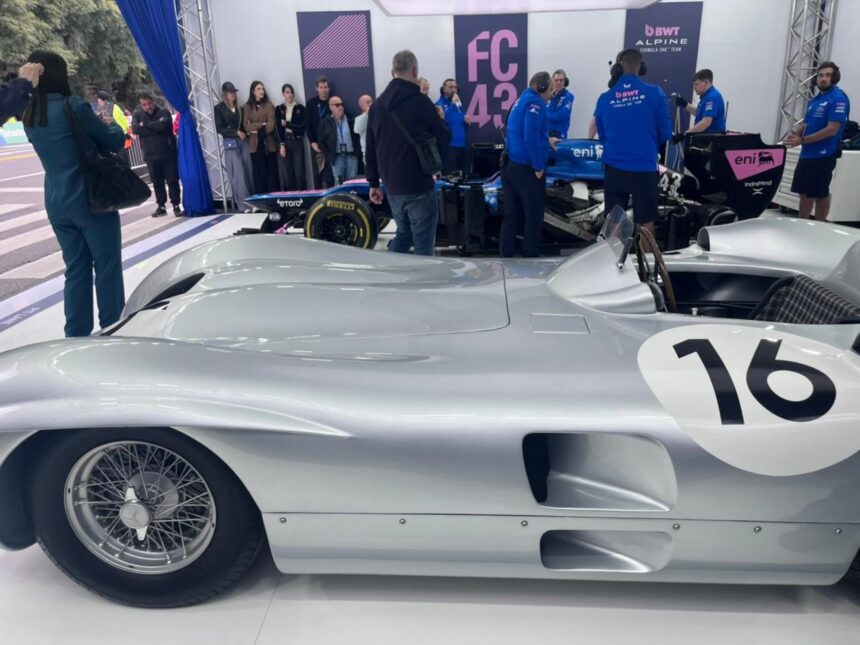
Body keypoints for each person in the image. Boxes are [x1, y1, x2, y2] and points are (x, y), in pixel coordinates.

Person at [22, 51, 126, 337]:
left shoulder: (30, 115)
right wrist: (110, 122)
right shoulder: (73, 106)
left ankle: (76, 335)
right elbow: (113, 141)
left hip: (56, 200)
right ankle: (113, 330)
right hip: (90, 198)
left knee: (76, 268)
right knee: (106, 266)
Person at [366, 50, 451, 256]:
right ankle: (423, 276)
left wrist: (374, 183)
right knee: (423, 245)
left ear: (392, 72)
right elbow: (445, 136)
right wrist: (441, 119)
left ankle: (394, 271)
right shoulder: (421, 102)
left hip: (392, 186)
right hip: (419, 184)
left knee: (403, 235)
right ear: (415, 71)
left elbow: (370, 148)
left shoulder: (377, 106)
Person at [594, 49, 673, 243]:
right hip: (644, 168)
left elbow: (602, 135)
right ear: (641, 66)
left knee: (614, 223)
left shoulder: (605, 98)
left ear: (617, 68)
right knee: (646, 222)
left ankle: (614, 261)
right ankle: (648, 262)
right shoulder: (655, 93)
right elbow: (665, 134)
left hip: (614, 168)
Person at [499, 71, 556, 258]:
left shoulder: (520, 100)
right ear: (541, 87)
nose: (551, 95)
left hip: (509, 165)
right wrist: (538, 166)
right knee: (534, 216)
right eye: (550, 90)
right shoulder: (536, 103)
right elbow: (529, 135)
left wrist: (546, 140)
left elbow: (518, 131)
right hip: (526, 168)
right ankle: (530, 257)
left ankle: (505, 256)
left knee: (512, 215)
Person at [786, 61, 851, 221]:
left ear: (835, 77)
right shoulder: (815, 100)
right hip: (807, 153)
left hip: (823, 154)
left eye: (828, 75)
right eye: (821, 75)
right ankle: (802, 223)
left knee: (820, 193)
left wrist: (801, 140)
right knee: (804, 192)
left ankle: (820, 226)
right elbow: (806, 123)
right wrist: (796, 133)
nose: (823, 79)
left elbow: (832, 129)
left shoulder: (838, 99)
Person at [133, 92, 182, 217]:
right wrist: (155, 126)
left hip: (167, 153)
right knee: (157, 181)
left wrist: (146, 124)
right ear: (141, 105)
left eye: (149, 103)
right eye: (144, 105)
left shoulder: (164, 112)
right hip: (150, 154)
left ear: (153, 102)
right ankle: (161, 205)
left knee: (172, 180)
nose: (148, 107)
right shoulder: (137, 114)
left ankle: (176, 204)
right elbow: (136, 129)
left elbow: (165, 126)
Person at [214, 81, 254, 212]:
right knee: (238, 174)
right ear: (225, 94)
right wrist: (235, 132)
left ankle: (251, 202)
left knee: (248, 171)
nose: (233, 95)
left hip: (243, 142)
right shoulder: (219, 109)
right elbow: (219, 128)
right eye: (230, 92)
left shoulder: (240, 109)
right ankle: (243, 204)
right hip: (231, 143)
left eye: (234, 92)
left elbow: (244, 126)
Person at [672, 68, 726, 142]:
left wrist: (685, 134)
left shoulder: (712, 97)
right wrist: (685, 104)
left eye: (697, 84)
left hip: (711, 141)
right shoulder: (706, 96)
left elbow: (706, 123)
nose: (694, 88)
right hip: (706, 138)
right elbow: (699, 113)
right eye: (694, 85)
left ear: (706, 82)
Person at [243, 81, 278, 194]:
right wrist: (262, 124)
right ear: (253, 92)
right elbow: (246, 126)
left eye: (262, 89)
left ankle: (272, 199)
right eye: (258, 89)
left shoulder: (269, 106)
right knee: (258, 175)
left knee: (271, 174)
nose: (261, 91)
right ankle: (261, 200)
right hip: (255, 146)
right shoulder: (247, 107)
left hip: (268, 145)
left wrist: (254, 128)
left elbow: (271, 126)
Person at [318, 96, 359, 186]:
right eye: (337, 105)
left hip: (351, 156)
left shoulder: (350, 119)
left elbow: (357, 137)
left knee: (353, 183)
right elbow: (321, 142)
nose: (340, 107)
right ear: (331, 107)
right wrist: (329, 156)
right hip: (336, 157)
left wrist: (356, 155)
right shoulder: (325, 123)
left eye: (341, 104)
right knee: (339, 183)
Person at [274, 83, 306, 190]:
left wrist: (287, 124)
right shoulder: (279, 109)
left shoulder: (300, 108)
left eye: (291, 92)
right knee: (287, 172)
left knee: (299, 171)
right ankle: (290, 195)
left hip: (297, 141)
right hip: (285, 141)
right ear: (283, 94)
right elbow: (278, 127)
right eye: (287, 92)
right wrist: (281, 144)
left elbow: (300, 126)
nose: (290, 95)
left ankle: (302, 194)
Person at [435, 78, 470, 175]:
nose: (454, 90)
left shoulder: (458, 104)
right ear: (443, 89)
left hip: (461, 145)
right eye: (450, 87)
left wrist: (466, 122)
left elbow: (460, 123)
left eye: (455, 87)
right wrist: (452, 105)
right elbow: (442, 124)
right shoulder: (438, 105)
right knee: (449, 177)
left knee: (461, 176)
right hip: (448, 147)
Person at [306, 76, 332, 189]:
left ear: (329, 88)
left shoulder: (333, 103)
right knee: (317, 175)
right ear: (316, 88)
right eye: (321, 87)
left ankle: (332, 198)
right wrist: (312, 142)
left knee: (330, 176)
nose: (323, 90)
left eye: (325, 87)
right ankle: (318, 198)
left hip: (330, 145)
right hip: (316, 145)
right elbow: (308, 125)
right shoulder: (311, 103)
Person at [95, 90, 131, 163]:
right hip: (119, 140)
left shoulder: (105, 110)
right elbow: (123, 122)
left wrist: (126, 135)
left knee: (122, 162)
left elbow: (122, 124)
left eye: (98, 99)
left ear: (100, 99)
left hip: (118, 141)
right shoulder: (114, 107)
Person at [546, 69, 575, 139]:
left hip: (559, 137)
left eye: (561, 80)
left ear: (565, 81)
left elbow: (560, 116)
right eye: (556, 80)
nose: (558, 82)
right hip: (546, 136)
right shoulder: (547, 96)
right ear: (552, 81)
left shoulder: (569, 96)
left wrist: (544, 114)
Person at [354, 94, 373, 165]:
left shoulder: (379, 116)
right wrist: (367, 115)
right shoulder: (359, 119)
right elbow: (357, 130)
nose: (371, 104)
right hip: (368, 153)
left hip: (381, 151)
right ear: (362, 105)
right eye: (368, 102)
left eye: (371, 101)